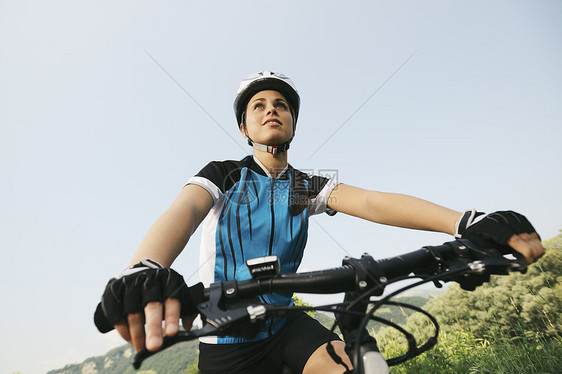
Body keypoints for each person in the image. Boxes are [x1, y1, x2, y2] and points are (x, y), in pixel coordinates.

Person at [94, 71, 545, 374]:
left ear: (292, 122)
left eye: (282, 105)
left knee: (354, 365)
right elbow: (183, 212)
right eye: (259, 105)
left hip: (287, 321)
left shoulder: (302, 186)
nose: (272, 109)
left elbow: (370, 202)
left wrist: (463, 221)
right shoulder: (224, 174)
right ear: (244, 129)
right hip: (226, 338)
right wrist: (146, 267)